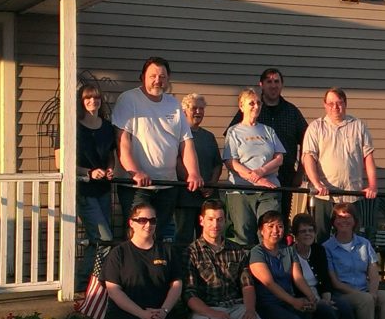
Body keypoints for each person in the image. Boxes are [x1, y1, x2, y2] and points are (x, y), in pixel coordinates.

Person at [113, 56, 203, 241]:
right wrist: (135, 172)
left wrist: (193, 173)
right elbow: (122, 142)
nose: (157, 80)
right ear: (142, 77)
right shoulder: (129, 99)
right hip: (137, 186)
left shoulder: (174, 104)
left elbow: (186, 142)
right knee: (137, 237)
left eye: (162, 76)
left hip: (168, 186)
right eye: (152, 75)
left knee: (160, 237)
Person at [227, 68, 309, 218]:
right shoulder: (250, 110)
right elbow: (231, 145)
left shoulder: (292, 112)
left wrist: (300, 172)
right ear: (261, 85)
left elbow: (307, 141)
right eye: (269, 82)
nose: (273, 85)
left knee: (279, 222)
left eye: (276, 81)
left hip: (284, 177)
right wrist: (254, 175)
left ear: (282, 85)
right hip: (247, 181)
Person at [291, 214, 367, 319]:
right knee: (328, 311)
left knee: (343, 306)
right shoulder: (289, 254)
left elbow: (325, 279)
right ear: (295, 235)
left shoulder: (319, 250)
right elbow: (294, 282)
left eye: (311, 230)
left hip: (321, 294)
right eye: (303, 231)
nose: (307, 234)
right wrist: (317, 300)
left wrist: (326, 297)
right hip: (304, 297)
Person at [302, 87, 377, 240]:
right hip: (325, 196)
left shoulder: (358, 126)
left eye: (339, 103)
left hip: (351, 195)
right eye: (330, 103)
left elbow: (368, 157)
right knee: (321, 238)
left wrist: (373, 185)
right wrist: (317, 184)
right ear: (324, 105)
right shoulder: (316, 127)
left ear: (345, 104)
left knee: (351, 239)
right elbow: (308, 158)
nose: (335, 107)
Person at [224, 88, 285, 246]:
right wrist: (254, 178)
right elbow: (231, 162)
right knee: (243, 235)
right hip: (242, 190)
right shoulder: (234, 131)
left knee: (269, 233)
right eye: (251, 103)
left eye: (258, 103)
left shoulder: (268, 131)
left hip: (268, 190)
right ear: (241, 105)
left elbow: (279, 158)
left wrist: (261, 172)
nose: (256, 106)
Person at [71, 84, 115, 291]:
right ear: (81, 102)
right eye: (88, 98)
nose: (92, 101)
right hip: (84, 190)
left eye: (96, 98)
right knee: (104, 239)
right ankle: (87, 282)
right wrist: (87, 173)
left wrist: (109, 169)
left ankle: (85, 283)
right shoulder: (73, 126)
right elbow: (60, 162)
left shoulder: (107, 127)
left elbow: (110, 157)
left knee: (97, 241)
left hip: (104, 190)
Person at [175, 93, 222, 247]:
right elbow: (175, 161)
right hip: (185, 196)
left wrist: (211, 184)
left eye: (201, 109)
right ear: (184, 111)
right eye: (194, 108)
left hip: (208, 198)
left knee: (208, 238)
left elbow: (217, 164)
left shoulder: (208, 136)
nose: (198, 112)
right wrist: (192, 180)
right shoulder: (177, 135)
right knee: (184, 238)